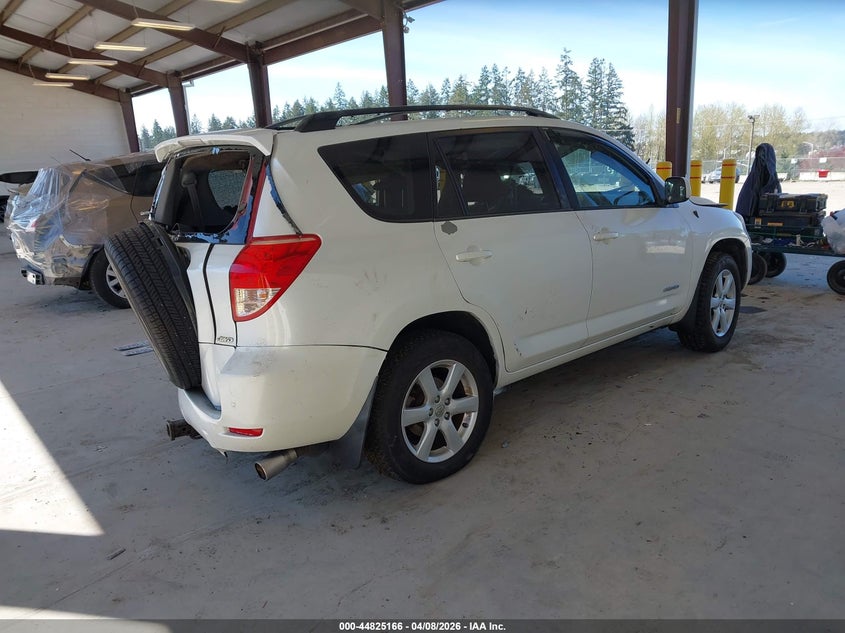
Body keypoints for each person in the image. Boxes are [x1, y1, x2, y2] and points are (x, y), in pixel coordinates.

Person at [736, 143, 781, 218]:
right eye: (760, 156)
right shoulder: (752, 181)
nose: (762, 159)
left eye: (763, 155)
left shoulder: (773, 183)